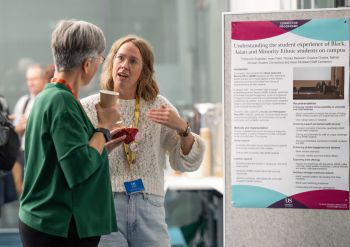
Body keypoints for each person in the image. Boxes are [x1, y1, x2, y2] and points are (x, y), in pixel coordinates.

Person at [81, 35, 205, 247]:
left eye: (133, 61)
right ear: (111, 63)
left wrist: (183, 129)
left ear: (144, 70)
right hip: (104, 206)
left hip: (150, 206)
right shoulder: (90, 107)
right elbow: (80, 163)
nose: (124, 65)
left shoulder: (159, 106)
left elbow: (185, 163)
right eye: (120, 58)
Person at [18, 19, 125, 247]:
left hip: (46, 221)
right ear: (87, 64)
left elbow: (64, 157)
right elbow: (78, 169)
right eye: (100, 59)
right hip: (58, 227)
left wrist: (103, 143)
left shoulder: (50, 96)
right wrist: (103, 127)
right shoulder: (62, 102)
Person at [11, 64, 47, 194]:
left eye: (34, 79)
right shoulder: (23, 101)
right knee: (23, 191)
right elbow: (14, 130)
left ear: (44, 79)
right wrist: (18, 128)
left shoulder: (49, 100)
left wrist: (31, 121)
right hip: (23, 153)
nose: (30, 83)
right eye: (28, 79)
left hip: (42, 153)